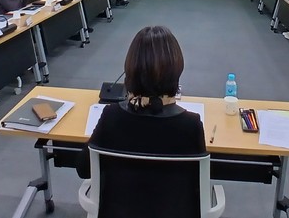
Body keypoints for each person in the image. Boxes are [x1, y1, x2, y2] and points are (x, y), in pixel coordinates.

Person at [77, 26, 205, 217]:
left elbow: (84, 169)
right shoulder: (190, 124)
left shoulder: (111, 116)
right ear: (176, 70)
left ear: (130, 68)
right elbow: (198, 181)